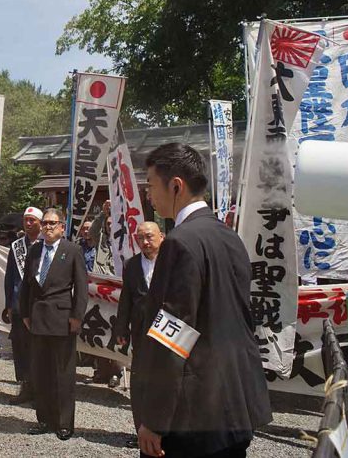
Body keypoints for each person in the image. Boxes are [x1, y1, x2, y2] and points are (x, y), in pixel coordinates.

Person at [135, 143, 271, 458]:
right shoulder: (229, 237)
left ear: (176, 186)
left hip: (193, 416)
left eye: (152, 185)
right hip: (234, 403)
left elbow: (174, 335)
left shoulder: (180, 243)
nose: (149, 195)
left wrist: (154, 419)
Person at [19, 207, 88, 440]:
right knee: (40, 372)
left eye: (52, 223)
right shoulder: (35, 250)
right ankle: (44, 419)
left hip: (62, 318)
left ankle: (64, 422)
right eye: (45, 223)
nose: (47, 227)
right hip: (37, 318)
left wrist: (77, 316)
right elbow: (26, 285)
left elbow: (81, 287)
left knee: (63, 373)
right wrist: (25, 313)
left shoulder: (72, 250)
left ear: (62, 226)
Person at [114, 220, 164, 447]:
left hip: (168, 330)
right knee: (141, 381)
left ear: (161, 236)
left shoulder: (172, 263)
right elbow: (125, 300)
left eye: (149, 236)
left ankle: (167, 431)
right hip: (141, 331)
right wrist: (121, 328)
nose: (145, 242)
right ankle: (141, 431)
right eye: (140, 238)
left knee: (166, 380)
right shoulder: (132, 265)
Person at [3, 206, 42, 404]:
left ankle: (41, 388)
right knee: (20, 347)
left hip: (40, 308)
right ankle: (25, 386)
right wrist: (9, 304)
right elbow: (10, 277)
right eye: (25, 220)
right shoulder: (16, 246)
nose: (28, 224)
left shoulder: (47, 245)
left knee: (39, 349)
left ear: (40, 223)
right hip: (19, 305)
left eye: (32, 220)